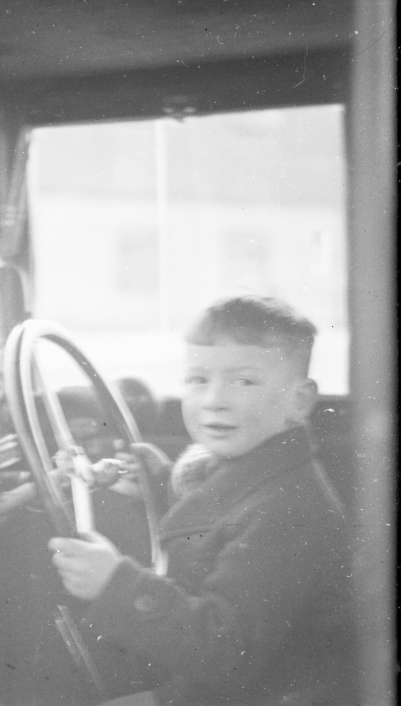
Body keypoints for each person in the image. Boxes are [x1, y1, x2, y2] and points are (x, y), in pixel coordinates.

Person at [48, 296, 356, 706]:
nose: (214, 400)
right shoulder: (252, 465)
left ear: (299, 401)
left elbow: (227, 654)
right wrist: (156, 483)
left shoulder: (287, 511)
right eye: (197, 380)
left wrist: (114, 584)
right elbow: (214, 517)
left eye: (243, 381)